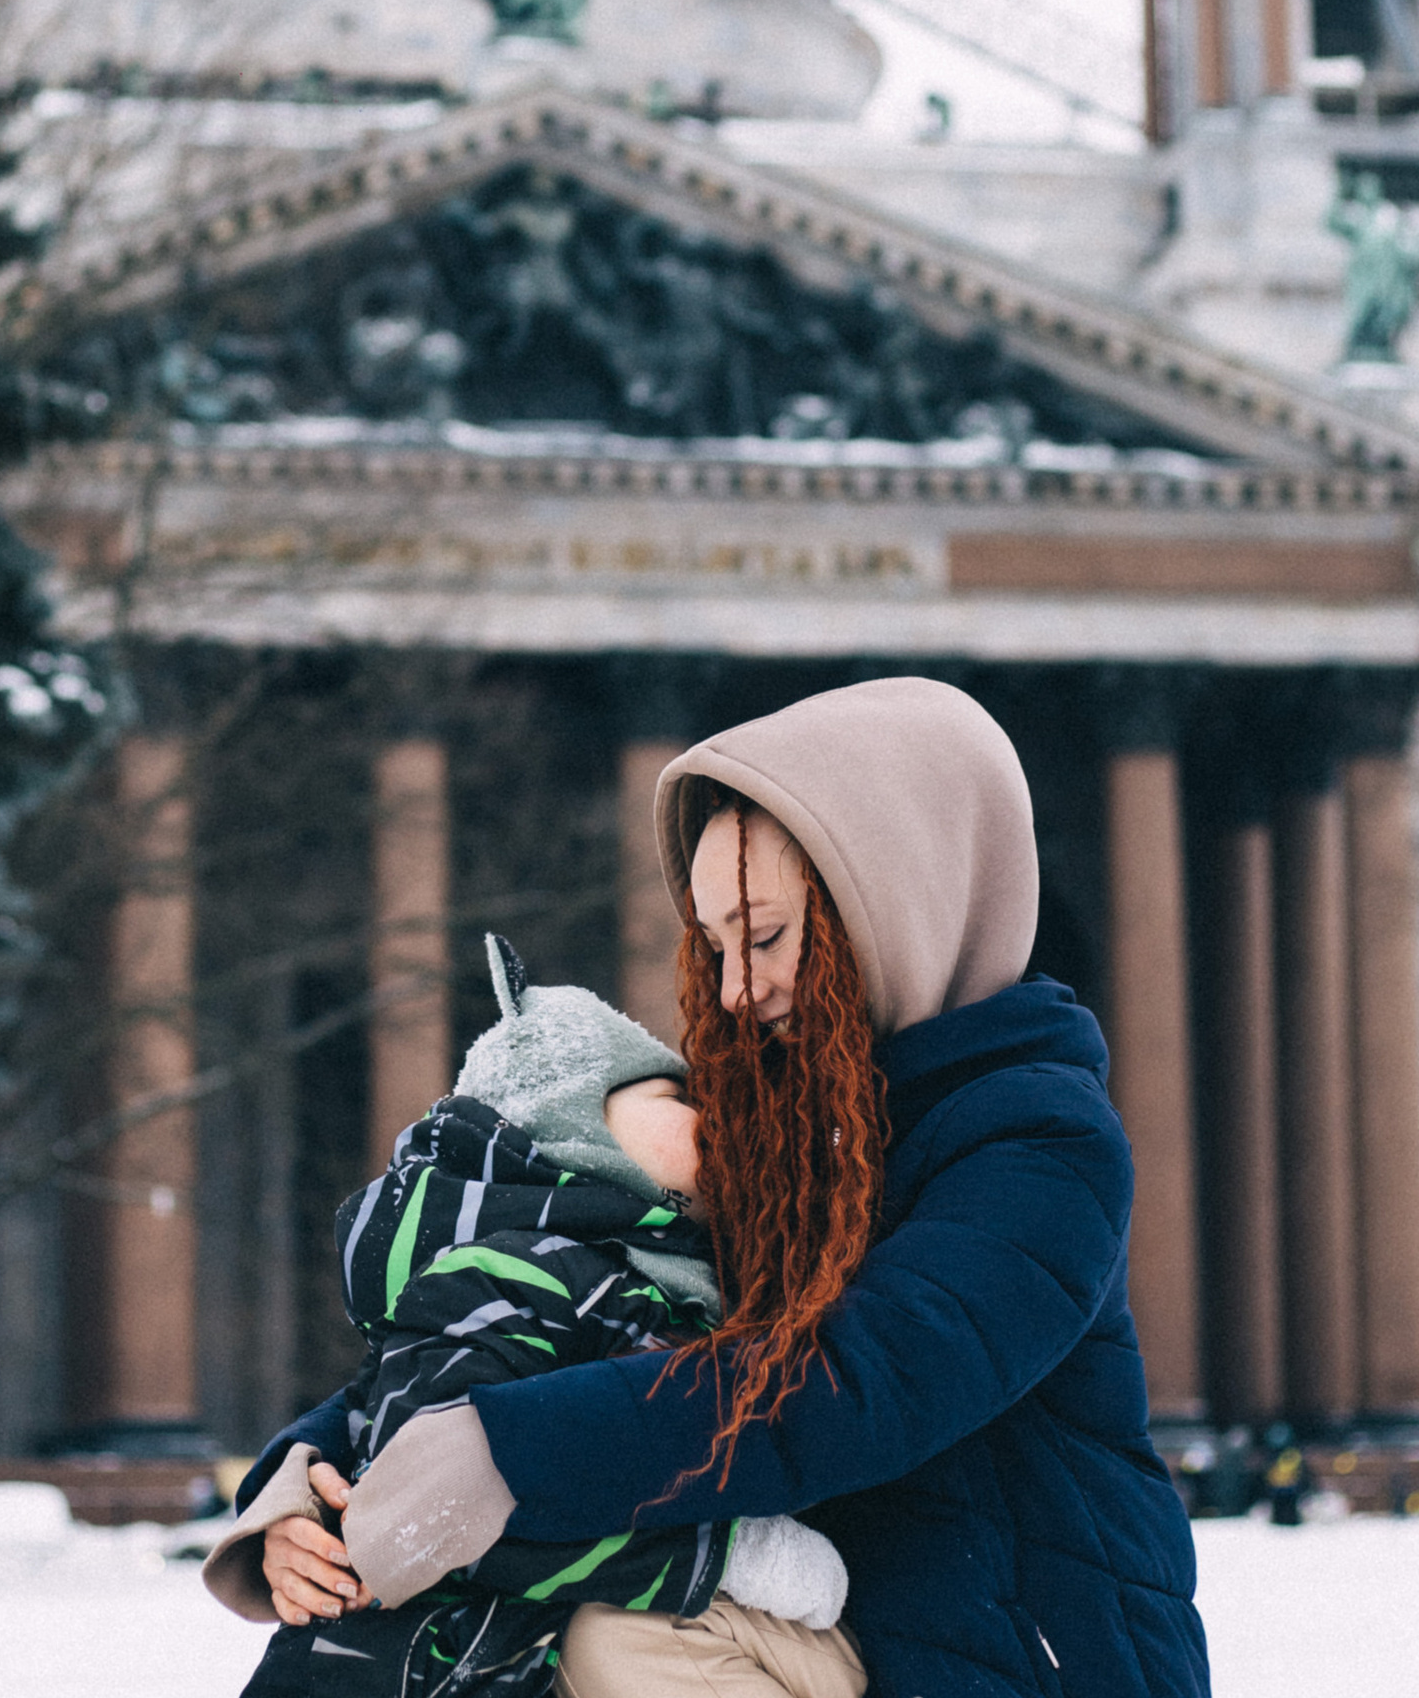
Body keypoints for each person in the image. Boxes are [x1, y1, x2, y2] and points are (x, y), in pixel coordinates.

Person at [243, 677, 1211, 1698]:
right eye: (713, 947)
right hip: (857, 1647)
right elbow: (550, 1288)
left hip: (1040, 1664)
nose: (738, 989)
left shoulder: (1036, 1140)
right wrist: (319, 1480)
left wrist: (505, 1450)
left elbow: (857, 1380)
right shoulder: (770, 1134)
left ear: (895, 900)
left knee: (624, 1640)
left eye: (766, 936)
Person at [206, 934, 852, 1698]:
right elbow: (441, 1518)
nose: (708, 1115)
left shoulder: (632, 1278)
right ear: (568, 1124)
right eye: (673, 1098)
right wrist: (733, 1556)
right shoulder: (507, 1276)